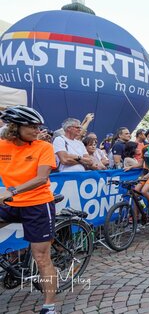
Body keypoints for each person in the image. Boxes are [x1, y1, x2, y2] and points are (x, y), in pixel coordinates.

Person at [0, 106, 59, 314]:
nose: (37, 130)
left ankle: (49, 306)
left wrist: (12, 190)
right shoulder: (2, 146)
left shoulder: (43, 147)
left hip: (37, 204)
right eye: (32, 127)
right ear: (15, 128)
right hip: (11, 203)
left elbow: (42, 178)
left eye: (37, 127)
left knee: (41, 257)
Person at [124, 128, 149, 222]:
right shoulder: (144, 148)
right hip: (145, 172)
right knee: (135, 192)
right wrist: (130, 167)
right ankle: (137, 214)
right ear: (147, 137)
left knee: (144, 191)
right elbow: (140, 163)